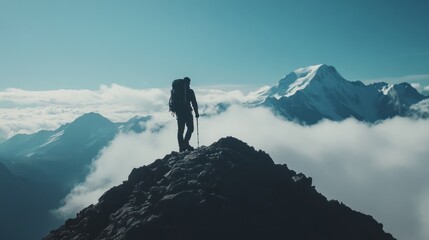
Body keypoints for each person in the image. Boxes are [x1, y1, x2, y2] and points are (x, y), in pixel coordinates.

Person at [174, 77, 199, 152]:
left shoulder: (177, 91)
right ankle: (185, 143)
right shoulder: (190, 91)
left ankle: (181, 147)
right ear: (188, 83)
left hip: (179, 113)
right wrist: (196, 113)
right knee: (190, 128)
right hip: (187, 112)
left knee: (180, 130)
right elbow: (194, 103)